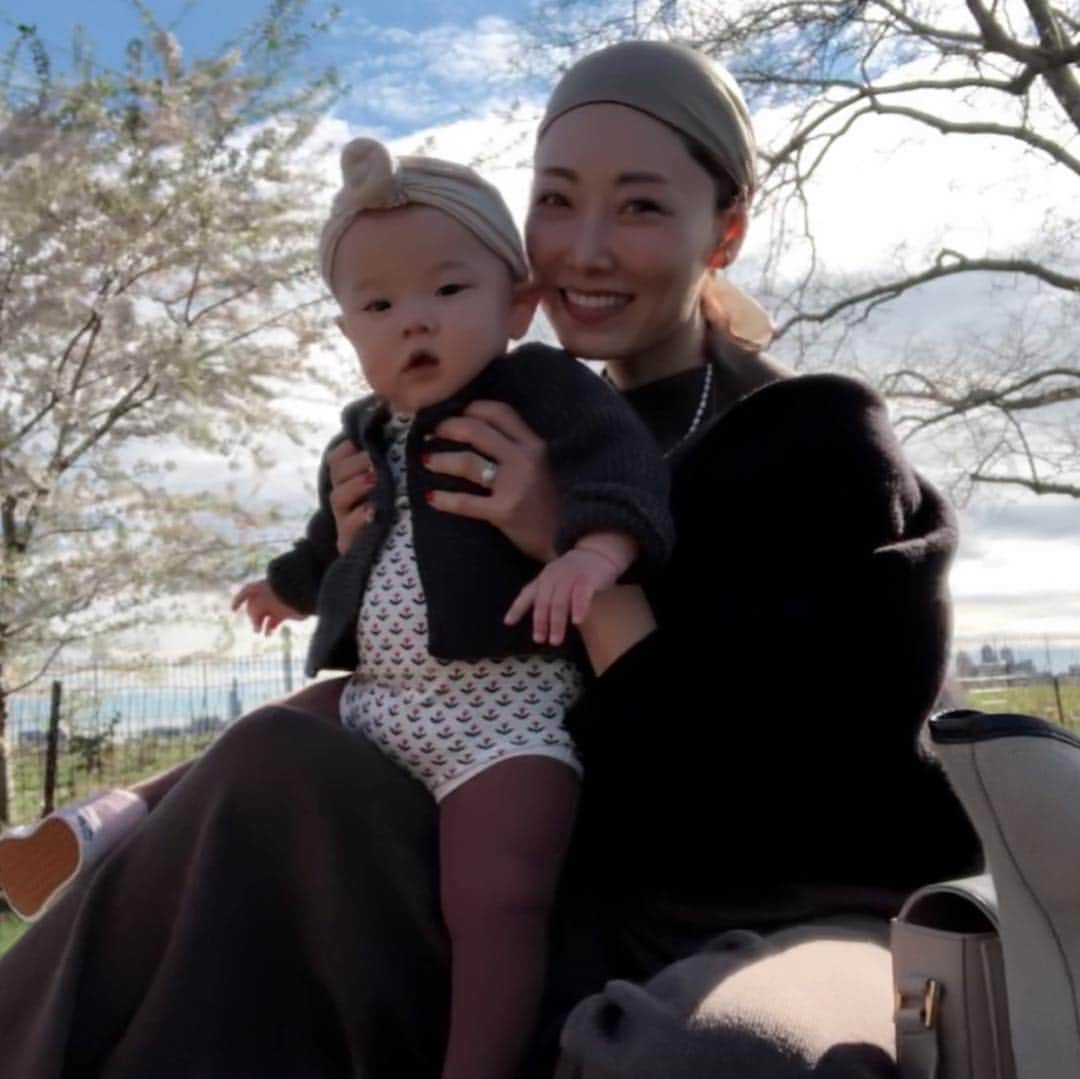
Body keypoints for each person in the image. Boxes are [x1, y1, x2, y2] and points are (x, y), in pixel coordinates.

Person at [0, 39, 979, 1079]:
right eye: (556, 201)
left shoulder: (816, 442)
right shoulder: (491, 418)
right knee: (270, 767)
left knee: (702, 1052)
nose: (586, 248)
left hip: (788, 910)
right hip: (550, 899)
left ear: (725, 226)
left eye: (640, 206)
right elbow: (433, 687)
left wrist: (579, 550)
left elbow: (792, 804)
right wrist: (353, 541)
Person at [231, 135, 673, 1079]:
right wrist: (285, 585)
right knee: (257, 748)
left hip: (503, 712)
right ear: (349, 333)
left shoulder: (539, 388)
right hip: (381, 697)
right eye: (380, 305)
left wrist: (592, 550)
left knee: (496, 896)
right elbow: (327, 544)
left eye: (448, 292)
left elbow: (621, 466)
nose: (414, 324)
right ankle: (110, 819)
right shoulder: (362, 431)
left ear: (516, 302)